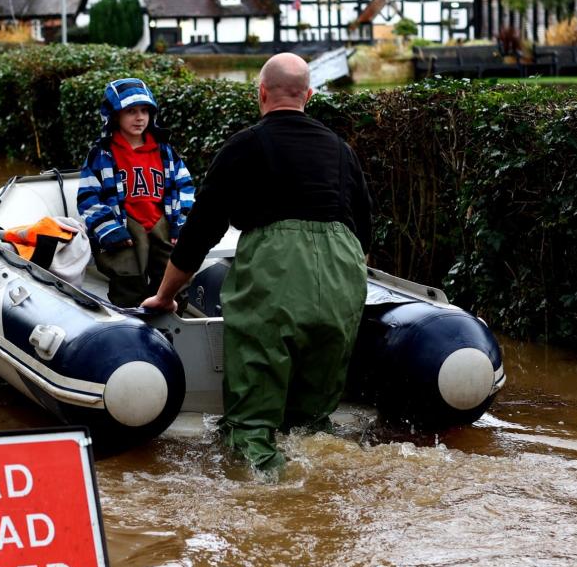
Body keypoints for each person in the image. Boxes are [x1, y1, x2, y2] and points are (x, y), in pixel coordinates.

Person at [142, 53, 372, 473]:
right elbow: (365, 236)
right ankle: (324, 490)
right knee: (312, 428)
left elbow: (200, 232)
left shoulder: (245, 145)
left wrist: (164, 296)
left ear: (261, 93)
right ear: (310, 95)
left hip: (276, 270)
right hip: (344, 275)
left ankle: (274, 496)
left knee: (251, 425)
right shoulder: (341, 151)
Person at [78, 78, 196, 307]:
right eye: (130, 111)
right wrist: (108, 228)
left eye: (145, 111)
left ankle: (171, 327)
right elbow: (88, 197)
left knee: (174, 276)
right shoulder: (102, 154)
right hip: (124, 226)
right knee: (128, 278)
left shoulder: (165, 151)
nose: (140, 117)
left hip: (162, 222)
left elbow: (186, 187)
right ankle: (130, 329)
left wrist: (180, 223)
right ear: (114, 115)